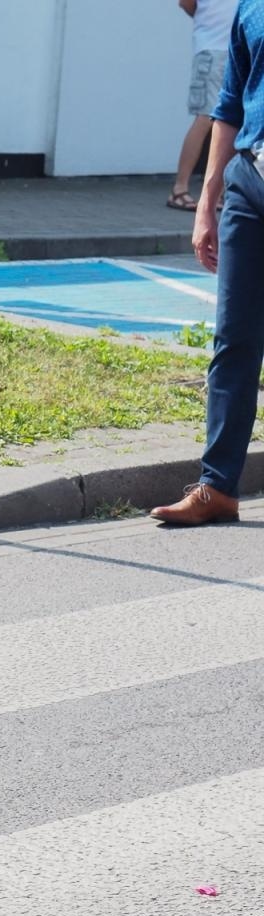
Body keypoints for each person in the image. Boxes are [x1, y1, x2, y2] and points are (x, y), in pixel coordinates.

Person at [153, 0, 264, 525]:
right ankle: (217, 489)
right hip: (251, 181)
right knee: (234, 337)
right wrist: (207, 200)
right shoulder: (250, 8)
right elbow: (230, 104)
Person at [170, 0, 241, 210]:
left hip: (235, 51)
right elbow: (186, 3)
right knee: (205, 118)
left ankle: (220, 192)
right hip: (212, 49)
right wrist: (209, 22)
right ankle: (179, 189)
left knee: (235, 121)